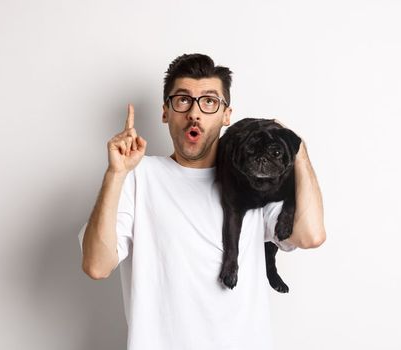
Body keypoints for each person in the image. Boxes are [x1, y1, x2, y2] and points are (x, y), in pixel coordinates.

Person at [78, 53, 326, 350]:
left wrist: (297, 148)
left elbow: (311, 235)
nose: (194, 113)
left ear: (226, 115)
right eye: (183, 100)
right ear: (165, 112)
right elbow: (97, 266)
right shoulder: (138, 176)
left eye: (209, 101)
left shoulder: (253, 181)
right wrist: (115, 174)